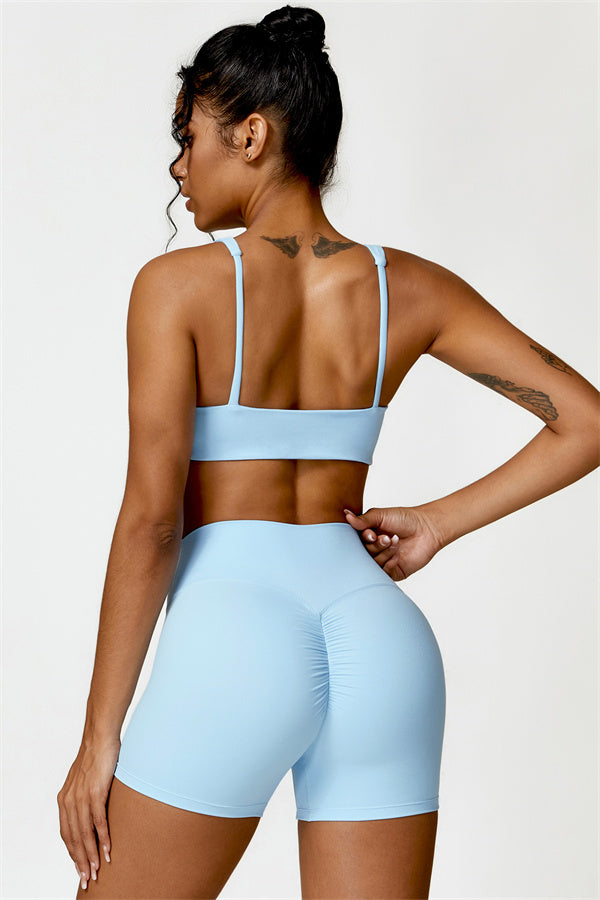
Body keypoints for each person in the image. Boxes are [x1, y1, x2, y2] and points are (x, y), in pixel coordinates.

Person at [56, 5, 600, 898]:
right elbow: (586, 420)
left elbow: (152, 522)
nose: (178, 166)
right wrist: (436, 523)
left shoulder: (176, 288)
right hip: (380, 641)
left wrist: (97, 738)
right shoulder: (412, 289)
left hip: (234, 637)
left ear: (251, 135)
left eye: (188, 137)